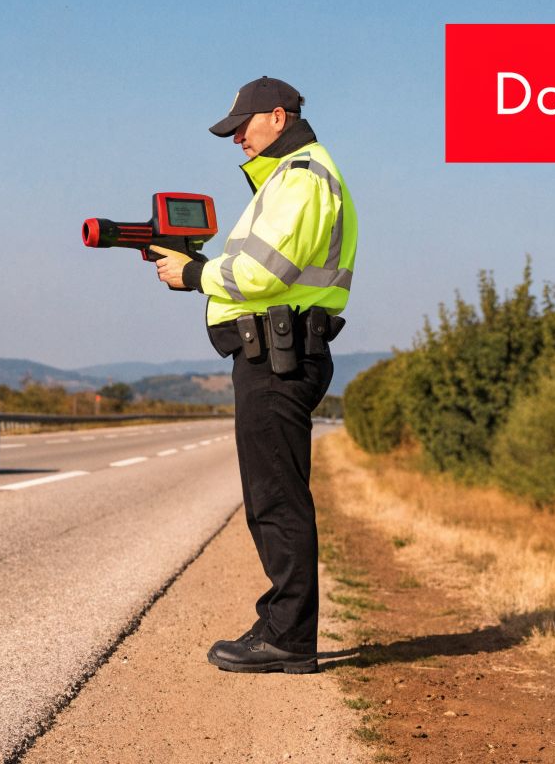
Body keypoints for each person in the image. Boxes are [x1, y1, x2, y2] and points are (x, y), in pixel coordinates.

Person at [154, 76, 358, 674]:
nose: (237, 138)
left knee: (276, 499)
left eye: (243, 126)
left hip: (278, 355)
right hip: (280, 350)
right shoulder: (294, 177)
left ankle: (288, 638)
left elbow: (262, 274)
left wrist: (195, 275)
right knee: (274, 495)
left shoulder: (300, 177)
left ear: (278, 116)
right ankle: (281, 625)